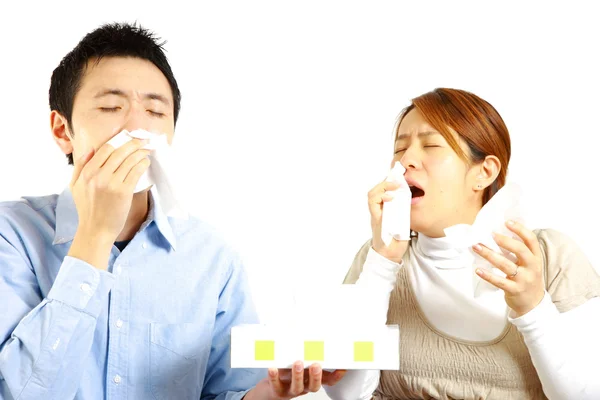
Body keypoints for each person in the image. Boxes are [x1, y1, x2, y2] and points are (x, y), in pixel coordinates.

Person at [0, 22, 345, 399]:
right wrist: (95, 235)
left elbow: (228, 391)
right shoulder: (12, 236)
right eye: (112, 107)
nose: (136, 127)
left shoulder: (211, 257)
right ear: (62, 130)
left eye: (155, 111)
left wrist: (270, 393)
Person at [323, 88, 600, 400]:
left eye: (430, 145)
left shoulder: (550, 257)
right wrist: (382, 263)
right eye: (400, 150)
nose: (406, 162)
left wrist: (533, 308)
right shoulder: (376, 257)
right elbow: (345, 396)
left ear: (484, 171)